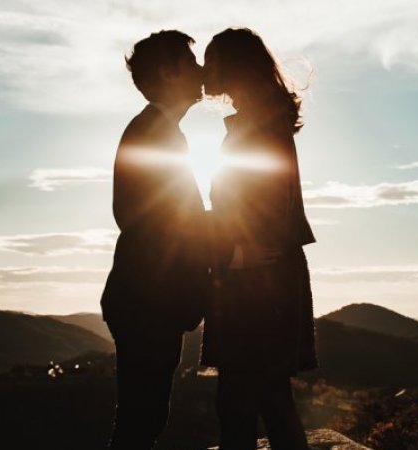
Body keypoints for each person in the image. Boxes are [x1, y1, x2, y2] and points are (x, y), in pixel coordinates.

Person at [200, 28, 318, 450]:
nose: (203, 69)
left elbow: (270, 199)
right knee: (267, 394)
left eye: (211, 60)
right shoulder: (260, 119)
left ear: (233, 66)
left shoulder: (262, 123)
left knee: (239, 401)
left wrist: (239, 253)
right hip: (260, 273)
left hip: (259, 277)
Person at [100, 30, 209, 450]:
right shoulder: (152, 134)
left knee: (143, 419)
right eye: (191, 62)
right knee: (140, 422)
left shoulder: (159, 131)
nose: (201, 70)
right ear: (168, 73)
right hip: (147, 300)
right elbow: (141, 218)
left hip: (146, 300)